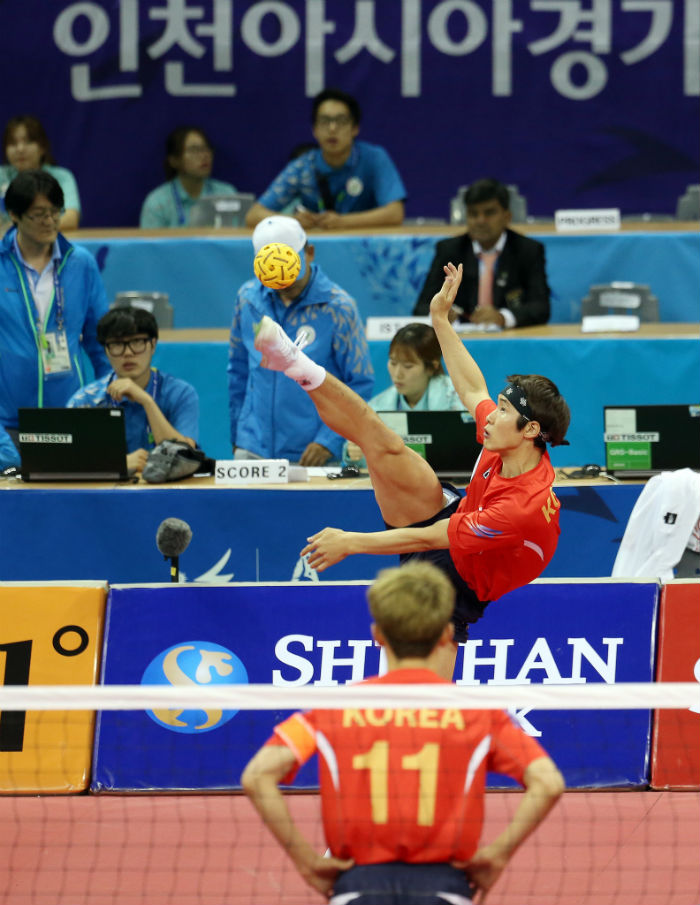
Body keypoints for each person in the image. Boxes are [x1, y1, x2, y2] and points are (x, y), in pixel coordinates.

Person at [253, 261, 570, 676]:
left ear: (530, 429)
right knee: (380, 441)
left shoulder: (521, 506)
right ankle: (295, 362)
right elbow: (472, 387)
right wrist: (439, 319)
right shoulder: (508, 441)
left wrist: (351, 542)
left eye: (503, 410)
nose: (490, 416)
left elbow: (431, 539)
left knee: (425, 695)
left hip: (463, 577)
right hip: (460, 517)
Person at [242, 559, 565, 905]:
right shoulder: (477, 713)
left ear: (378, 635)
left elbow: (258, 775)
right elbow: (548, 783)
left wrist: (307, 863)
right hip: (445, 886)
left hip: (358, 887)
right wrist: (498, 854)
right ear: (445, 634)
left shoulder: (334, 708)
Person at [228, 214, 373, 466]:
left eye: (289, 271)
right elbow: (238, 371)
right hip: (252, 447)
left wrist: (329, 440)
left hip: (313, 454)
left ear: (309, 253)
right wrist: (238, 436)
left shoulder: (338, 307)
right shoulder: (248, 299)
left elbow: (359, 383)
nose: (283, 284)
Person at [0, 170, 109, 450]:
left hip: (69, 415)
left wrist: (105, 403)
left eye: (55, 211)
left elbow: (101, 342)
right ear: (14, 214)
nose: (50, 221)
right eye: (39, 214)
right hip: (8, 422)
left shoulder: (81, 264)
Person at [245, 89, 406, 231]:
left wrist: (343, 222)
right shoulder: (302, 167)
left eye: (341, 121)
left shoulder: (374, 158)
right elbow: (254, 216)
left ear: (355, 128)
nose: (332, 129)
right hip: (316, 250)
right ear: (314, 130)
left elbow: (395, 213)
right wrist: (293, 221)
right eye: (324, 121)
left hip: (363, 249)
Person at [68, 307, 199, 473]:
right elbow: (69, 463)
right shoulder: (86, 400)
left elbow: (185, 458)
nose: (128, 353)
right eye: (117, 345)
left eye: (137, 342)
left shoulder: (180, 394)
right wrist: (117, 463)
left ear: (153, 344)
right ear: (106, 351)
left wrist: (147, 401)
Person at [413, 179, 550, 328]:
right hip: (459, 339)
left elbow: (541, 308)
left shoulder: (528, 250)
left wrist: (502, 318)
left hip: (508, 339)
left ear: (507, 217)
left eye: (489, 213)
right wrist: (440, 313)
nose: (480, 220)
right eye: (473, 214)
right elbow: (421, 307)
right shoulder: (449, 250)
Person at [343, 323, 465, 467]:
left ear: (432, 366)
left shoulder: (458, 399)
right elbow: (359, 453)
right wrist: (353, 454)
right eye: (393, 363)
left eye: (408, 366)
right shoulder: (378, 406)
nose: (397, 374)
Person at [139, 126, 237, 228]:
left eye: (206, 148)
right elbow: (150, 243)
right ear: (174, 160)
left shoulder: (226, 194)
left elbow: (236, 239)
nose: (204, 155)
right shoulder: (158, 203)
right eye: (194, 150)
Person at [1, 115, 81, 232]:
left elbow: (70, 219)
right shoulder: (1, 176)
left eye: (28, 142)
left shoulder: (61, 177)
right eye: (13, 143)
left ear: (42, 147)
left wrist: (26, 230)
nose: (20, 149)